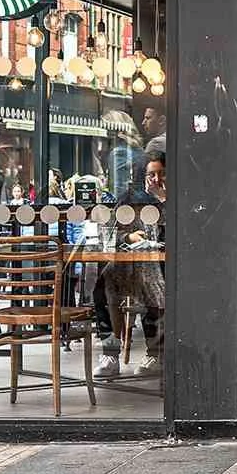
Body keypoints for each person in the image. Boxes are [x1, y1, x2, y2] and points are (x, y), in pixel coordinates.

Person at [94, 151, 166, 378]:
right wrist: (129, 237)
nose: (156, 180)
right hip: (130, 264)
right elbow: (112, 235)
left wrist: (165, 200)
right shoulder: (129, 199)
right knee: (103, 285)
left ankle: (156, 353)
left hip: (162, 266)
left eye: (161, 174)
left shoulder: (176, 198)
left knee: (153, 285)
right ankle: (110, 353)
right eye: (151, 175)